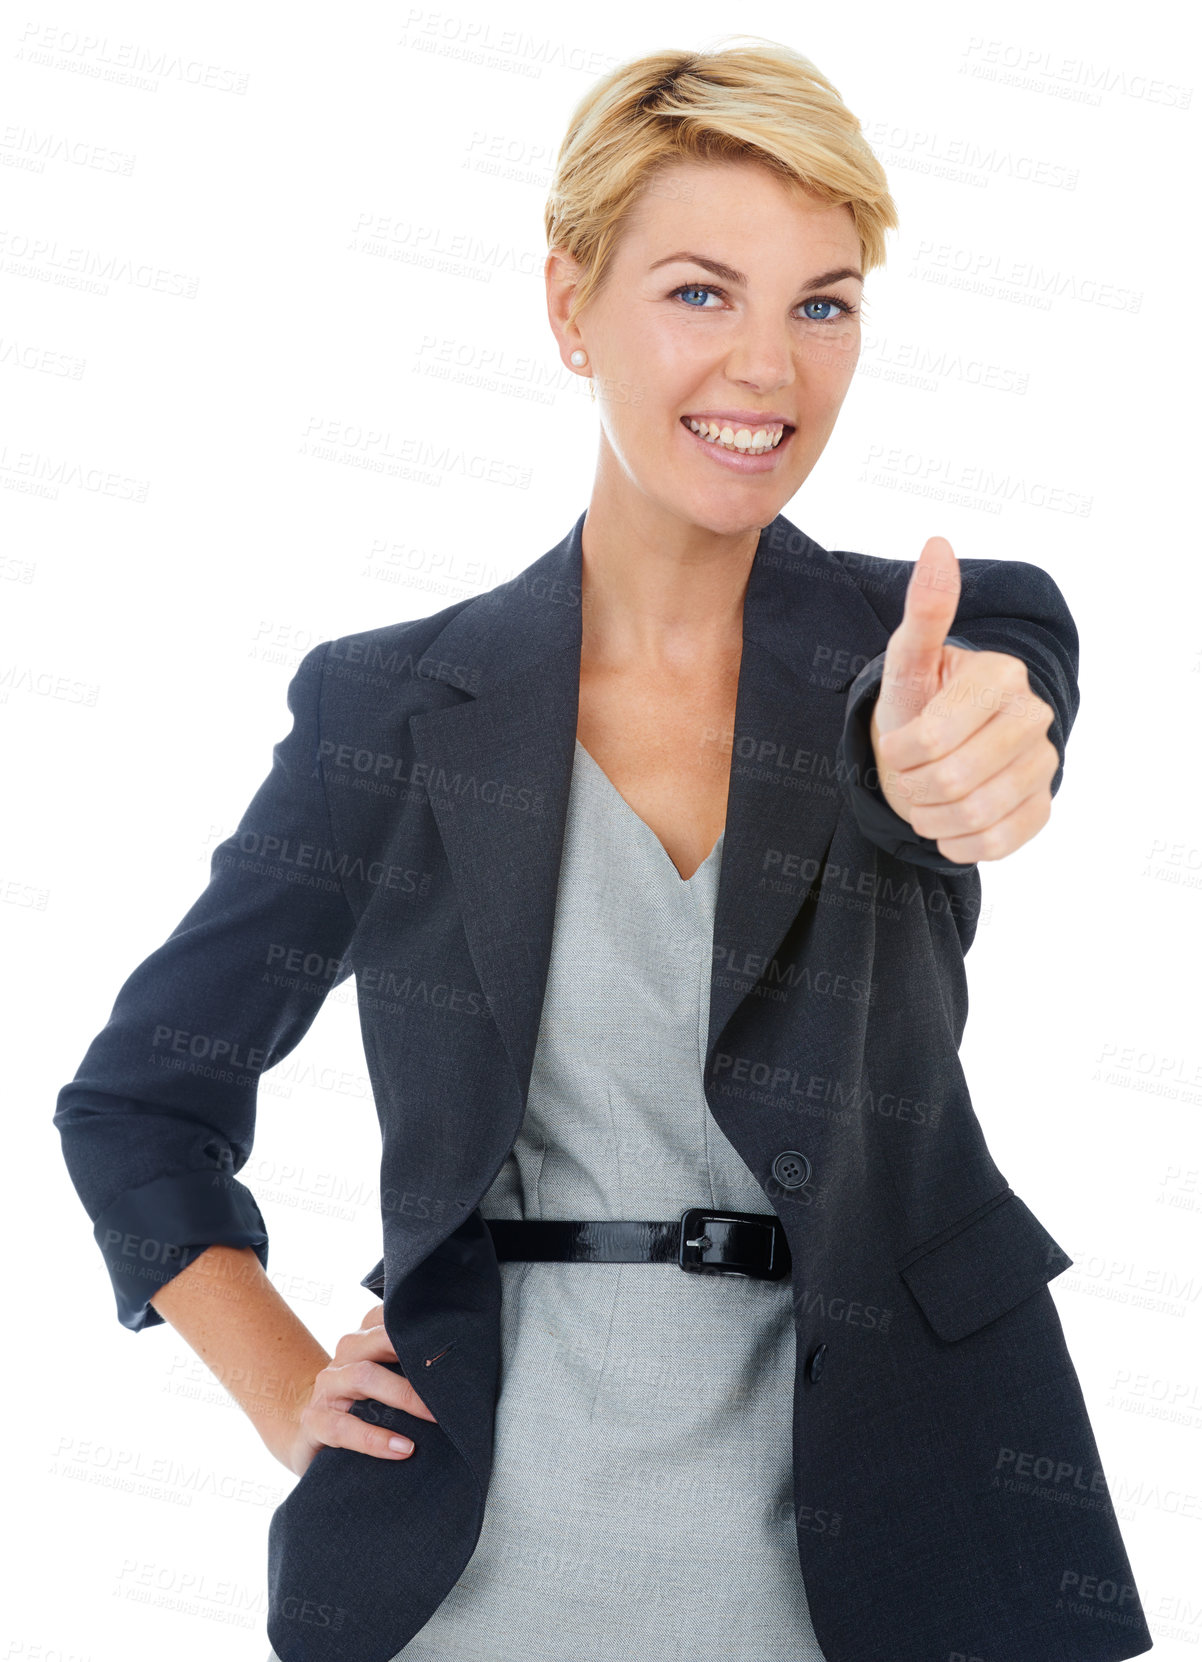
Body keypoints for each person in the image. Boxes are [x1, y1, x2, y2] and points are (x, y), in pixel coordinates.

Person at [54, 37, 1153, 1662]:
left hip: (902, 1541)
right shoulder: (400, 708)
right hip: (491, 1555)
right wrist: (283, 1382)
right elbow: (138, 1101)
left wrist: (961, 756)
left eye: (823, 303)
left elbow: (968, 719)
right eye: (700, 293)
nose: (768, 369)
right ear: (568, 305)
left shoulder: (936, 640)